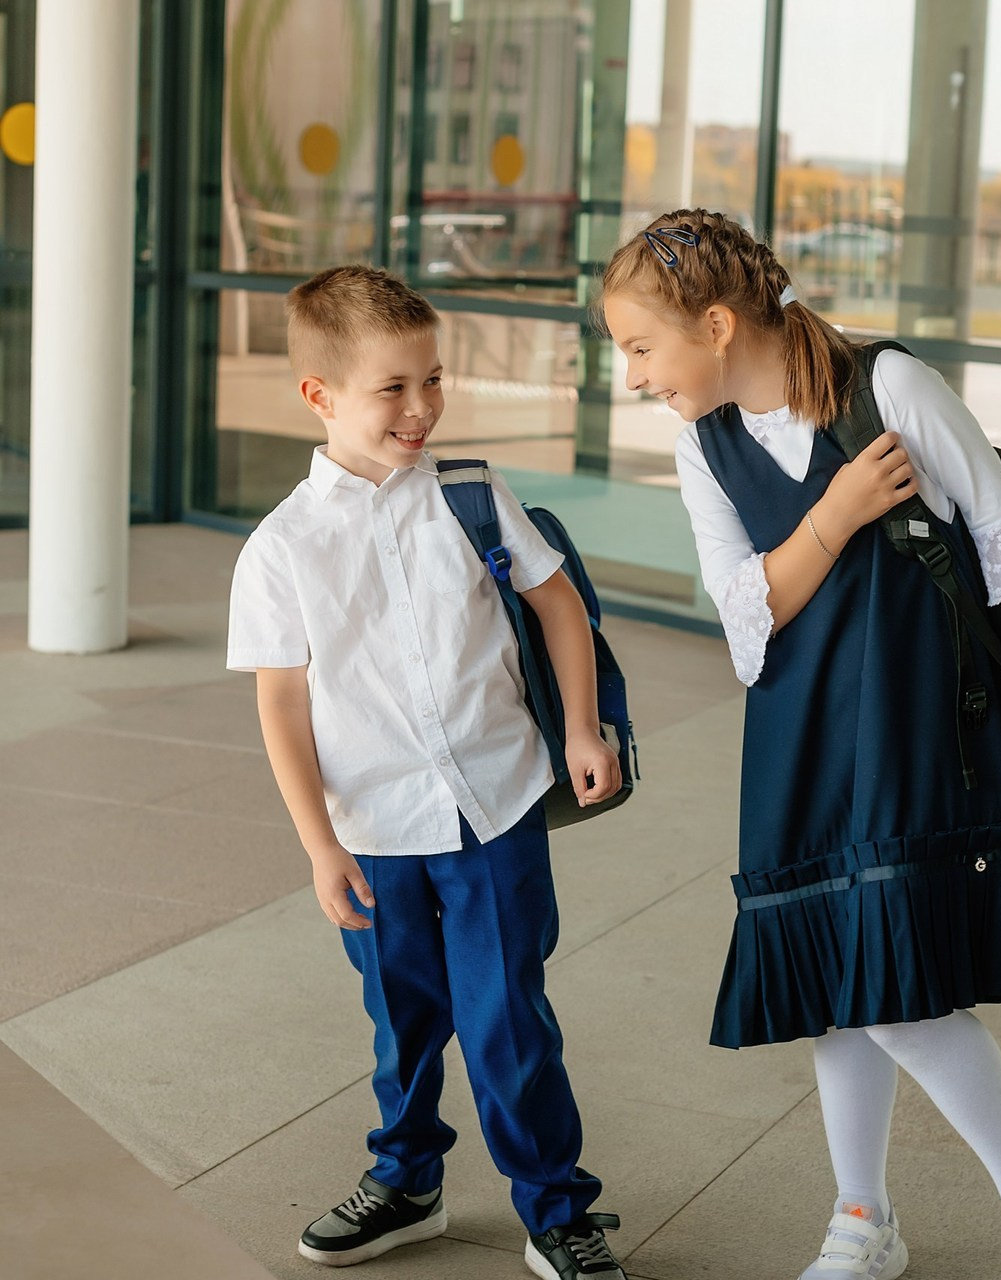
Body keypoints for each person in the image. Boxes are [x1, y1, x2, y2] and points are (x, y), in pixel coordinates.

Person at [600, 211, 1001, 1280]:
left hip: (913, 723)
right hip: (796, 729)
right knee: (835, 978)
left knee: (885, 984)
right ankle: (861, 1219)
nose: (633, 376)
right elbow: (747, 614)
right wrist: (835, 513)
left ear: (712, 322)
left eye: (639, 348)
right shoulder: (703, 442)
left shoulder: (889, 387)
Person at [227, 264, 628, 1280]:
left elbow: (558, 605)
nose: (420, 407)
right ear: (320, 396)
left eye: (433, 380)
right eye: (392, 388)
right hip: (372, 828)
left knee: (506, 1020)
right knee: (402, 1021)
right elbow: (280, 701)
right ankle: (408, 1179)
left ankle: (554, 1209)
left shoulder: (473, 497)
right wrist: (319, 844)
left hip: (494, 807)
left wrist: (581, 729)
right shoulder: (282, 547)